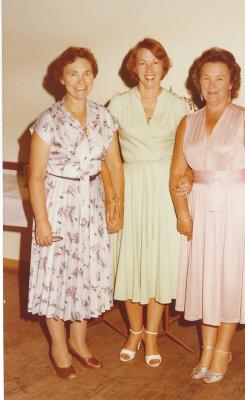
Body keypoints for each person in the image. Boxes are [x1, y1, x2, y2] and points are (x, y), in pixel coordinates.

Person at [170, 47, 245, 383]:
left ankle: (222, 350)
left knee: (228, 278)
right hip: (200, 207)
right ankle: (206, 349)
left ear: (231, 83)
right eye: (206, 78)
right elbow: (178, 174)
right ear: (197, 82)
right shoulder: (189, 121)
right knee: (204, 279)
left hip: (236, 207)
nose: (212, 86)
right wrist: (184, 214)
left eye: (220, 79)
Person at [28, 47, 124, 380]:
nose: (80, 80)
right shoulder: (48, 120)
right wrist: (42, 220)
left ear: (94, 76)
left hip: (92, 203)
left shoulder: (103, 116)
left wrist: (116, 203)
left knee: (86, 273)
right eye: (73, 73)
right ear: (61, 79)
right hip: (58, 204)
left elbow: (114, 164)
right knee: (57, 275)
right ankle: (58, 346)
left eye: (86, 73)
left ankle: (79, 342)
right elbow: (36, 176)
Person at [108, 38, 191, 367]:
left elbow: (189, 155)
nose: (149, 69)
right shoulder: (117, 104)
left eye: (155, 62)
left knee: (158, 262)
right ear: (133, 68)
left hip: (163, 190)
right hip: (129, 185)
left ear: (164, 66)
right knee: (129, 259)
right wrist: (113, 198)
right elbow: (107, 157)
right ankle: (134, 330)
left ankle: (152, 335)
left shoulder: (179, 106)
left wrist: (191, 180)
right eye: (142, 63)